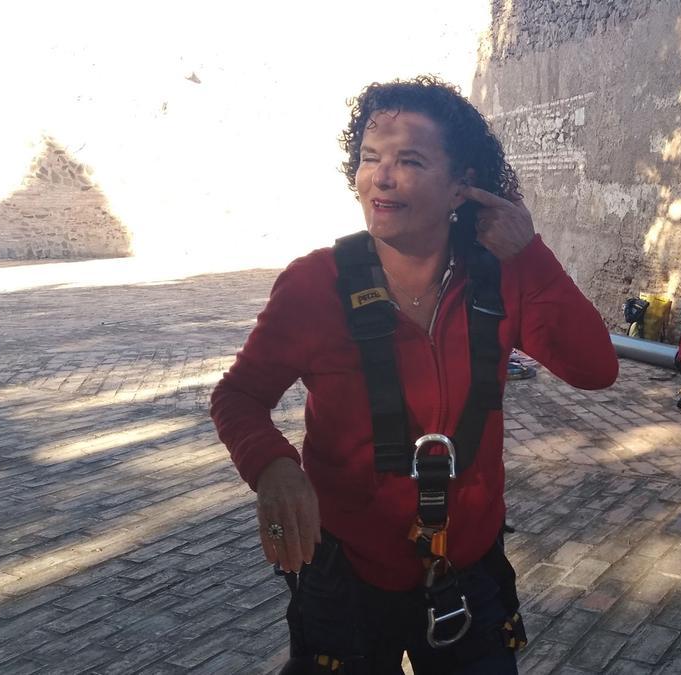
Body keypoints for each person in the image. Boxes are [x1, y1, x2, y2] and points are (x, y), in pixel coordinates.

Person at [211, 76, 618, 674]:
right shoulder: (313, 285)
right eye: (370, 158)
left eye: (410, 160)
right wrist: (272, 466)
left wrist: (530, 255)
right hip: (346, 575)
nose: (382, 176)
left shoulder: (502, 278)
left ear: (462, 186)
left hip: (467, 568)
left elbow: (595, 370)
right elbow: (238, 396)